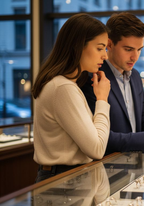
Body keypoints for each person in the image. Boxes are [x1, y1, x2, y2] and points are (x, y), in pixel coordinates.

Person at [81, 12, 144, 156]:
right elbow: (98, 137)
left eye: (139, 50)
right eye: (128, 49)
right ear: (109, 44)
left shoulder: (135, 76)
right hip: (105, 167)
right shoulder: (93, 77)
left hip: (132, 166)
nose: (135, 57)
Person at [32, 13, 111, 182]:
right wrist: (102, 99)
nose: (105, 56)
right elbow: (97, 149)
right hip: (64, 180)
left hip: (65, 177)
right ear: (78, 46)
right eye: (100, 48)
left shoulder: (64, 84)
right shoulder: (63, 87)